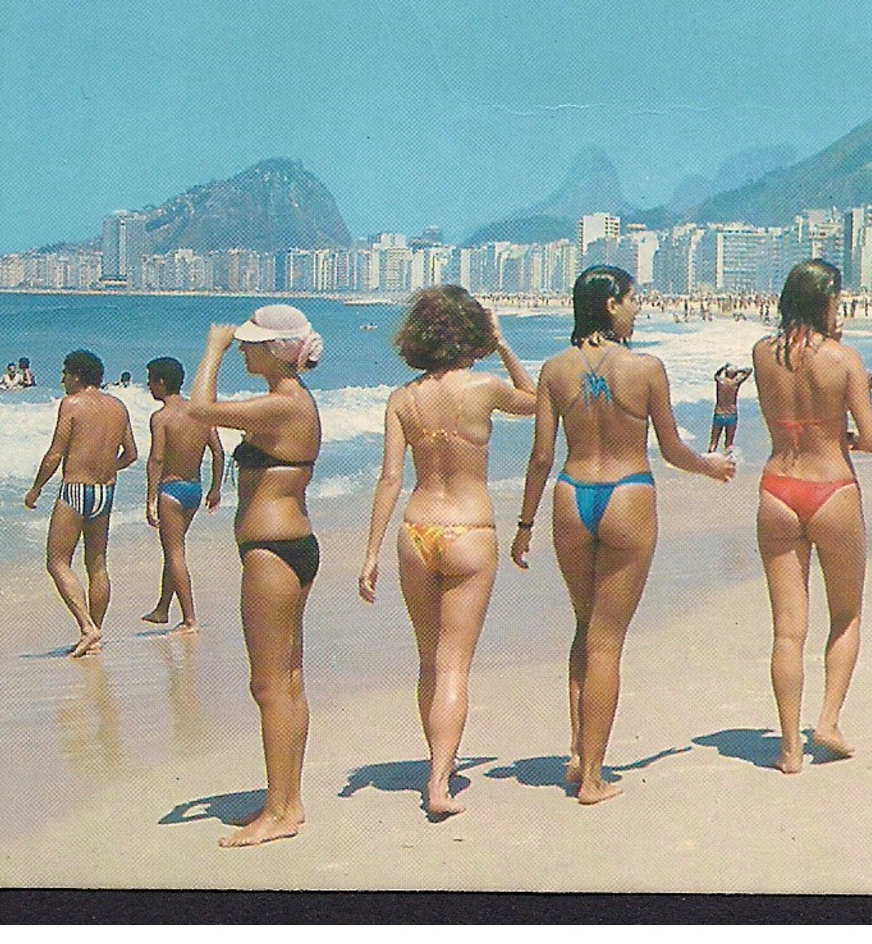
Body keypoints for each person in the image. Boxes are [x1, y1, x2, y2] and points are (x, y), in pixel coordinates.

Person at [511, 266, 735, 804]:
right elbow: (673, 448)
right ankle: (592, 778)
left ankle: (576, 751)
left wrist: (524, 526)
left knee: (585, 628)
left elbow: (541, 457)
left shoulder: (553, 370)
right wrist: (711, 466)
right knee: (608, 641)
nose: (638, 309)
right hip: (628, 494)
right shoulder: (647, 368)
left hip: (571, 494)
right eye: (634, 300)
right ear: (611, 305)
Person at [360, 286, 536, 817]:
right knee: (455, 666)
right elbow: (534, 402)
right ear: (472, 333)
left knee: (429, 662)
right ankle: (439, 781)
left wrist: (369, 553)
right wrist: (504, 346)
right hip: (468, 529)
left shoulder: (402, 398)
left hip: (415, 531)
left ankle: (440, 758)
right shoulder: (483, 388)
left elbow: (390, 477)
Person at [187, 304, 323, 848]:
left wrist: (213, 348)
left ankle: (278, 810)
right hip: (290, 545)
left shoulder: (282, 404)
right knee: (287, 680)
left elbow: (199, 409)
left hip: (272, 551)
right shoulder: (291, 402)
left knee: (269, 685)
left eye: (248, 343)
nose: (241, 348)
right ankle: (288, 801)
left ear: (274, 351)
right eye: (238, 342)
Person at [752, 260, 872, 773]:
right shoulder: (843, 359)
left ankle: (789, 748)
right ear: (827, 302)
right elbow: (870, 440)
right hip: (831, 489)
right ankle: (826, 720)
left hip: (777, 488)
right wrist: (847, 424)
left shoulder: (761, 353)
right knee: (845, 614)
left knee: (788, 630)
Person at [23, 349, 138, 658]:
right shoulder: (118, 406)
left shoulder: (71, 404)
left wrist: (35, 489)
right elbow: (131, 454)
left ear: (77, 375)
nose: (62, 380)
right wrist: (105, 468)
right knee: (97, 564)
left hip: (75, 489)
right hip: (105, 491)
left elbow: (55, 454)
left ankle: (87, 627)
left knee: (57, 562)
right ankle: (95, 635)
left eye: (64, 374)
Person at [140, 356, 225, 635]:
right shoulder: (200, 412)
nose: (148, 385)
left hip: (171, 492)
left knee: (175, 553)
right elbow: (218, 451)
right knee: (173, 550)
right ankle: (163, 608)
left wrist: (151, 498)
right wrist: (215, 488)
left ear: (162, 383)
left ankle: (189, 619)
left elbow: (156, 460)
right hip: (194, 490)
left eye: (151, 379)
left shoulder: (161, 418)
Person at [708, 364, 753, 452]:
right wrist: (739, 370)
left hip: (719, 413)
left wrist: (723, 367)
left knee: (714, 441)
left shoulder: (720, 381)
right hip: (731, 414)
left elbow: (716, 375)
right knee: (728, 443)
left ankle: (710, 459)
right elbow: (749, 370)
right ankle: (727, 462)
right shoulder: (735, 383)